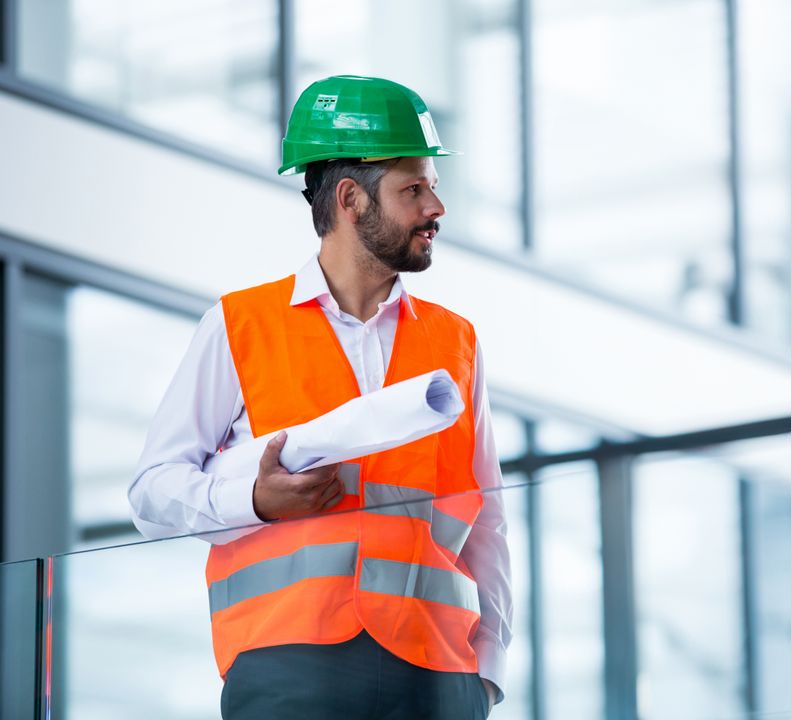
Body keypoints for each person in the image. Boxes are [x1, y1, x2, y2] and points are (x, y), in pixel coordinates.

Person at [128, 75, 512, 720]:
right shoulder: (241, 325)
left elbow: (488, 521)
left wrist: (488, 672)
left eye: (432, 187)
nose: (435, 207)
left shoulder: (457, 341)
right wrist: (254, 499)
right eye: (413, 189)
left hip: (439, 673)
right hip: (288, 662)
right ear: (350, 199)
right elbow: (152, 491)